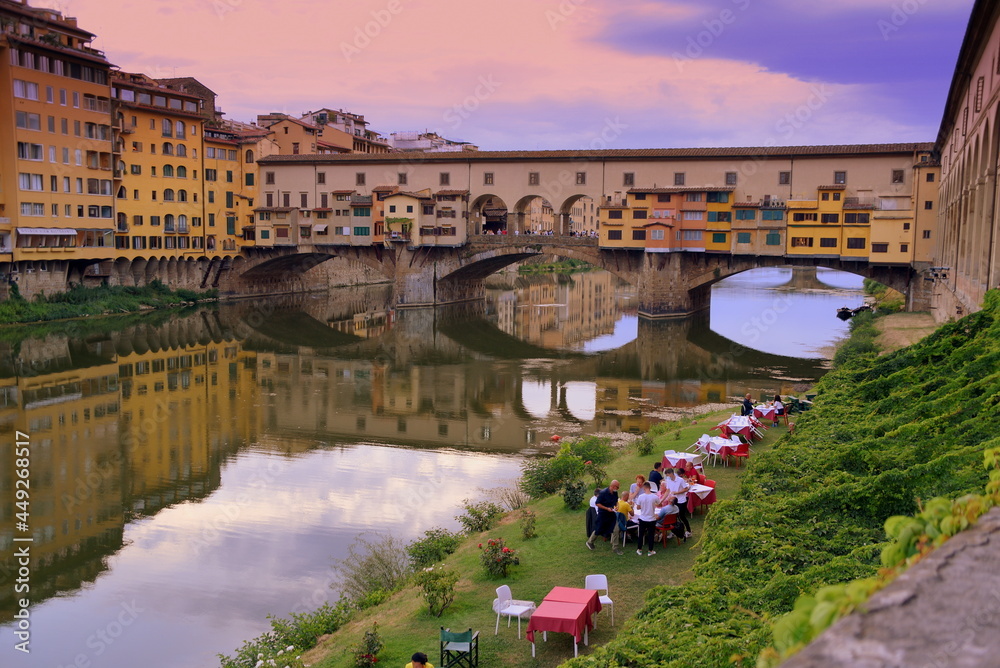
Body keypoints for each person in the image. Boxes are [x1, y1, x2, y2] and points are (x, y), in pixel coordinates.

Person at [586, 480, 620, 551]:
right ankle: (590, 542)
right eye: (617, 487)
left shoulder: (615, 493)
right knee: (598, 529)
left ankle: (615, 547)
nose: (618, 488)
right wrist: (606, 508)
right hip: (603, 514)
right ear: (613, 486)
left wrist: (616, 506)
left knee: (616, 529)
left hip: (611, 514)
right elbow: (597, 503)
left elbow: (616, 501)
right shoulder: (603, 493)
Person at [662, 468, 692, 538]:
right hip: (674, 501)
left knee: (682, 516)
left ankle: (689, 531)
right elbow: (668, 490)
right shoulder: (669, 481)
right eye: (667, 475)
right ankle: (674, 531)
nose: (668, 476)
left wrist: (677, 493)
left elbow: (686, 489)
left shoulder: (680, 480)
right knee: (673, 516)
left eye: (668, 475)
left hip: (681, 500)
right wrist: (662, 500)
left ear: (672, 473)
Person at [632, 482, 658, 556]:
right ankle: (650, 550)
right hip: (651, 518)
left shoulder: (641, 497)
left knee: (641, 534)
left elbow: (638, 507)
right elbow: (659, 503)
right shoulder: (654, 496)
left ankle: (639, 549)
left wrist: (642, 506)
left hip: (643, 518)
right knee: (651, 535)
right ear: (650, 488)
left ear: (644, 488)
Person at [609, 491, 633, 555]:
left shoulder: (617, 503)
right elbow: (632, 514)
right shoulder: (626, 504)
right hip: (624, 523)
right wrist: (631, 506)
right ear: (626, 496)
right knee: (637, 523)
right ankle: (630, 536)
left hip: (616, 521)